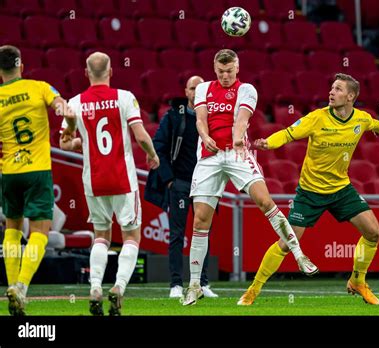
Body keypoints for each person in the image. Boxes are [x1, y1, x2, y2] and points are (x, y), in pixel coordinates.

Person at [238, 73, 379, 306]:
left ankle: (358, 281)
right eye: (331, 88)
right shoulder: (317, 118)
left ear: (351, 96)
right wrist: (269, 143)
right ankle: (252, 291)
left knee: (374, 232)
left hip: (341, 189)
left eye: (337, 89)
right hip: (309, 192)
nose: (331, 92)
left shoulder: (361, 119)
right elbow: (288, 133)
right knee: (287, 242)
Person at [183, 49, 318, 306]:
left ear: (237, 68)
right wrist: (205, 136)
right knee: (200, 220)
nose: (225, 76)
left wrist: (236, 141)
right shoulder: (202, 89)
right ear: (214, 69)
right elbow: (200, 120)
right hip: (209, 157)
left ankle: (300, 255)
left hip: (237, 154)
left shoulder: (247, 89)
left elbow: (241, 120)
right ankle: (194, 285)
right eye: (221, 71)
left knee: (265, 202)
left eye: (229, 71)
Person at [60, 52, 160, 315]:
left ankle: (94, 288)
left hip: (93, 181)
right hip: (122, 179)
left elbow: (64, 143)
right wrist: (152, 154)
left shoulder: (75, 103)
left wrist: (82, 140)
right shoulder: (125, 97)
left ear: (86, 73)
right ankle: (118, 288)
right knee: (131, 237)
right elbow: (140, 135)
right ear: (111, 71)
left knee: (101, 236)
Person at [0, 45, 75, 316]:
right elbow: (65, 110)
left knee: (12, 229)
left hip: (9, 172)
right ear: (21, 65)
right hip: (38, 170)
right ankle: (21, 286)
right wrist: (68, 125)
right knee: (40, 233)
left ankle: (11, 285)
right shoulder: (39, 87)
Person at [145, 76, 218, 299]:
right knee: (177, 235)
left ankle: (202, 283)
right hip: (180, 183)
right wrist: (169, 180)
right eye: (193, 88)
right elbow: (158, 146)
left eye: (200, 88)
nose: (196, 92)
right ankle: (176, 284)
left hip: (204, 183)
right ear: (186, 92)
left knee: (203, 234)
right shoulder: (173, 116)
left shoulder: (212, 118)